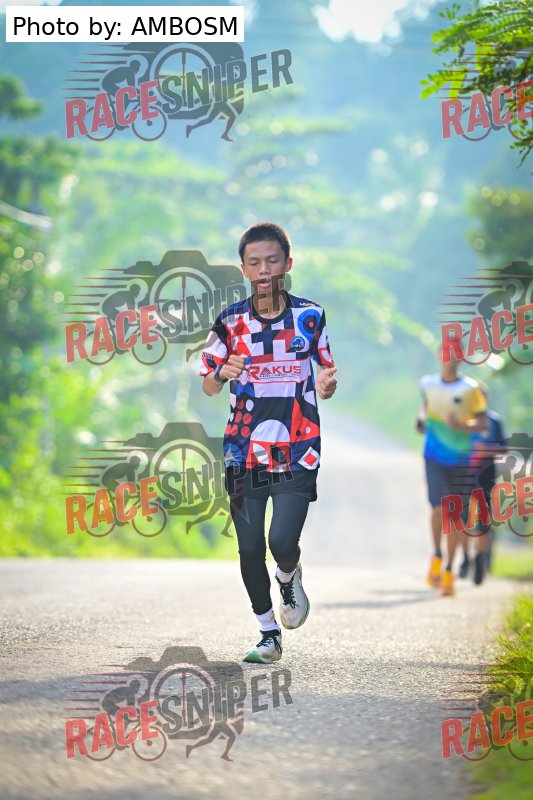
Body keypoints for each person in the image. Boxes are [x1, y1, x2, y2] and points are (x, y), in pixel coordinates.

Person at [200, 223, 337, 663]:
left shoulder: (310, 316)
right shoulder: (230, 322)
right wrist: (220, 372)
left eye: (272, 261)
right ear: (243, 269)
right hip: (243, 450)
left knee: (280, 541)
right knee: (248, 547)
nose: (264, 270)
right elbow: (207, 383)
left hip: (299, 447)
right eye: (255, 262)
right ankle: (267, 633)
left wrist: (327, 383)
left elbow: (326, 370)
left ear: (287, 264)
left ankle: (289, 574)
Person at [416, 345, 488, 597]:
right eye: (446, 352)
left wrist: (461, 425)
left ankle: (449, 570)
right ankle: (437, 554)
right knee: (438, 508)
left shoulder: (472, 389)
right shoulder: (427, 384)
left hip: (461, 459)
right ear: (439, 356)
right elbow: (425, 409)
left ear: (462, 358)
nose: (450, 358)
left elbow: (482, 422)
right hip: (434, 456)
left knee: (454, 514)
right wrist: (421, 422)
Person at [460, 404, 506, 583]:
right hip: (464, 475)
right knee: (462, 519)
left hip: (486, 477)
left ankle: (480, 559)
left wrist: (484, 450)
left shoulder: (494, 421)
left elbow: (504, 449)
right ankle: (465, 559)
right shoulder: (463, 419)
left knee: (483, 521)